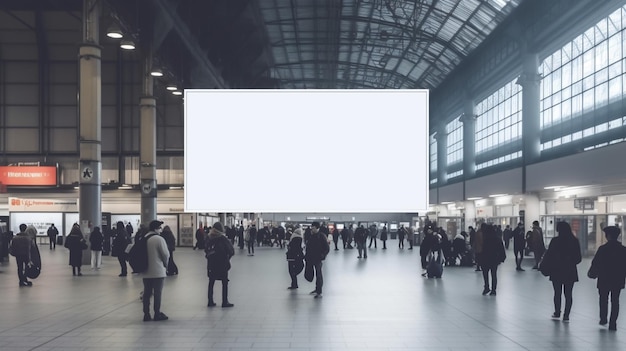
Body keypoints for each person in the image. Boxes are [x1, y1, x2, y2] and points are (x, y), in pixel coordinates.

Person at [542, 221, 581, 322]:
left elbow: (549, 255)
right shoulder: (574, 241)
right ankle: (566, 315)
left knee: (557, 292)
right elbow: (578, 258)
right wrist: (570, 261)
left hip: (556, 270)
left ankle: (557, 312)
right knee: (568, 294)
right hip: (570, 270)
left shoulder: (555, 241)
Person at [588, 226, 626, 331]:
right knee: (615, 300)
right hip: (618, 279)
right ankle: (613, 323)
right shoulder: (623, 250)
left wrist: (592, 273)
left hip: (604, 278)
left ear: (608, 236)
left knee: (603, 299)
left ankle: (603, 318)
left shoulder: (603, 249)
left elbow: (595, 263)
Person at [142, 220, 170, 321]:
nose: (161, 229)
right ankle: (157, 313)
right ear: (155, 229)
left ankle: (146, 314)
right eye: (159, 227)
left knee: (147, 293)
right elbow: (166, 255)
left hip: (145, 270)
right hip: (158, 271)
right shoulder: (159, 239)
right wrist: (165, 265)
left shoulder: (144, 238)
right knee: (157, 293)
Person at [205, 222, 235, 307]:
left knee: (211, 282)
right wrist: (227, 258)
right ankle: (224, 301)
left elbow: (206, 250)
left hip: (211, 264)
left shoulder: (209, 238)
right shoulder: (222, 239)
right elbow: (231, 251)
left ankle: (210, 301)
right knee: (224, 282)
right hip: (222, 264)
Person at [305, 222, 330, 298]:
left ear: (317, 228)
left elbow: (327, 248)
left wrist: (322, 255)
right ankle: (317, 289)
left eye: (313, 228)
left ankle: (319, 291)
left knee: (318, 274)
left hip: (318, 258)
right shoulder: (311, 236)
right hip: (311, 258)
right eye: (312, 228)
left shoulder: (321, 236)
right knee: (311, 272)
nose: (312, 229)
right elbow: (308, 247)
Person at [480, 224, 506, 296]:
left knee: (485, 274)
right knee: (494, 274)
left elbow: (482, 250)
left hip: (485, 259)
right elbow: (501, 249)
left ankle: (486, 287)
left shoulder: (485, 239)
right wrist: (502, 258)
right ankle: (494, 290)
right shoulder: (497, 239)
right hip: (494, 259)